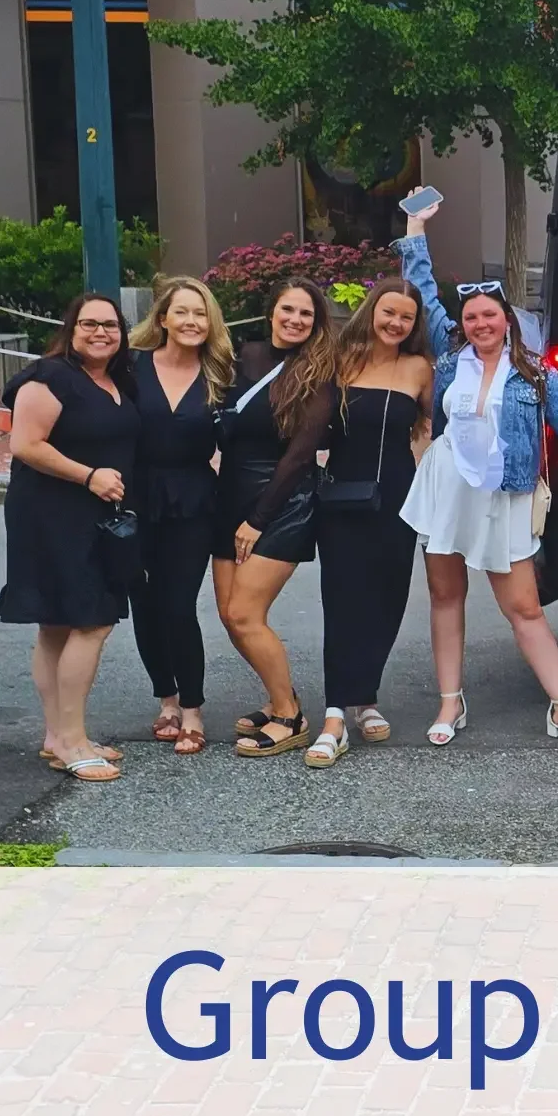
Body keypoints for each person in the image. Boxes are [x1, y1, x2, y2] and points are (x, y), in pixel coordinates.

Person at [395, 193, 558, 750]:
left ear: (506, 320)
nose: (480, 324)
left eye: (489, 315)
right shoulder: (449, 357)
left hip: (504, 496)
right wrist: (415, 230)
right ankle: (450, 701)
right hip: (448, 489)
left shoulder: (536, 375)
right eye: (471, 318)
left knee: (524, 606)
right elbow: (420, 287)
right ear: (461, 325)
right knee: (445, 595)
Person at [0, 294, 139, 782]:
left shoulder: (115, 379)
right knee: (90, 621)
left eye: (111, 325)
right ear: (71, 328)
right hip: (52, 513)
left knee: (58, 624)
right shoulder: (49, 376)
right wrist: (89, 476)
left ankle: (57, 736)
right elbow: (25, 444)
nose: (101, 332)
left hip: (95, 515)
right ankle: (73, 740)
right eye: (89, 324)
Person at [307, 279, 434, 768]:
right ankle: (336, 716)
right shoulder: (341, 358)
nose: (395, 323)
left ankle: (366, 696)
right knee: (341, 602)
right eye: (388, 312)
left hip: (398, 497)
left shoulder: (419, 368)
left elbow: (427, 426)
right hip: (341, 495)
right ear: (372, 312)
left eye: (405, 317)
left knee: (387, 598)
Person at [214, 278, 337, 758]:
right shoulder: (243, 357)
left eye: (306, 314)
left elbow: (300, 456)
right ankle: (277, 694)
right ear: (272, 312)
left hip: (282, 504)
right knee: (229, 616)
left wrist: (259, 519)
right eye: (288, 309)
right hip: (230, 497)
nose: (296, 320)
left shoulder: (319, 373)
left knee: (246, 614)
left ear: (316, 322)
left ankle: (290, 715)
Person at [127, 277, 234, 756]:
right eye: (182, 312)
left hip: (193, 498)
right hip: (133, 497)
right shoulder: (130, 368)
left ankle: (192, 708)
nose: (191, 321)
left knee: (177, 604)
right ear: (163, 318)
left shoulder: (222, 374)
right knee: (144, 604)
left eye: (200, 313)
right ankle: (165, 699)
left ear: (210, 323)